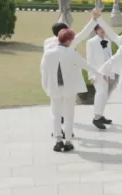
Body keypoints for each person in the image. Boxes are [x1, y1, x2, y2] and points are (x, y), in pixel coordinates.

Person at [40, 28, 108, 152]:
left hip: (54, 88)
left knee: (55, 114)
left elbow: (43, 72)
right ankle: (68, 141)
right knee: (69, 114)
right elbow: (86, 65)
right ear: (68, 41)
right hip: (69, 89)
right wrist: (100, 74)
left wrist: (45, 87)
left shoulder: (48, 53)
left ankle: (58, 141)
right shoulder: (71, 53)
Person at [43, 8, 101, 138]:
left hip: (53, 82)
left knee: (56, 112)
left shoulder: (47, 43)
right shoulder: (70, 41)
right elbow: (84, 33)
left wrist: (45, 84)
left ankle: (57, 134)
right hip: (69, 81)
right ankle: (67, 135)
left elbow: (44, 66)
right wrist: (94, 19)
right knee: (68, 111)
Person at [86, 24, 114, 130]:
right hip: (97, 73)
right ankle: (96, 117)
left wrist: (111, 74)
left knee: (104, 95)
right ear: (96, 30)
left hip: (106, 73)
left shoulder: (108, 41)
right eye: (99, 28)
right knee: (100, 93)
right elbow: (89, 59)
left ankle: (101, 115)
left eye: (103, 28)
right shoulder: (91, 42)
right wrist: (91, 75)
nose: (102, 30)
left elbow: (110, 58)